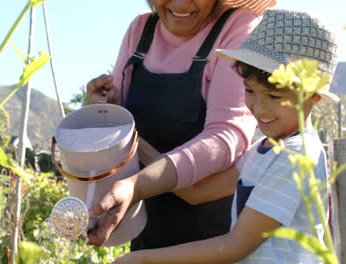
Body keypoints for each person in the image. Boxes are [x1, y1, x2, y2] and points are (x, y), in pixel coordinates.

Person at [107, 8, 340, 263]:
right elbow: (195, 192)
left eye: (274, 96)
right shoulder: (264, 150)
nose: (259, 108)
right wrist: (133, 142)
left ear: (313, 97)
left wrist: (143, 259)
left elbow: (234, 245)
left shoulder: (295, 155)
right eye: (250, 91)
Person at [86, 0, 276, 249]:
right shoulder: (140, 29)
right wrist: (108, 107)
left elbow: (226, 135)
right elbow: (122, 124)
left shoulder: (237, 26)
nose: (180, 3)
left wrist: (137, 183)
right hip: (147, 234)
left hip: (215, 242)